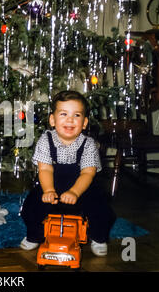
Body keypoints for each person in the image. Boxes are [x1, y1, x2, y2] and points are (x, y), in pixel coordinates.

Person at [20, 90, 115, 256]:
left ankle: (99, 237)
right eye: (63, 114)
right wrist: (48, 190)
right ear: (52, 120)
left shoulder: (88, 144)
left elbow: (88, 173)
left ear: (84, 122)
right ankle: (34, 235)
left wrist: (74, 192)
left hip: (82, 186)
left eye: (77, 115)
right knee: (31, 206)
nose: (70, 120)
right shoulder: (45, 140)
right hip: (51, 183)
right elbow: (45, 169)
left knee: (100, 207)